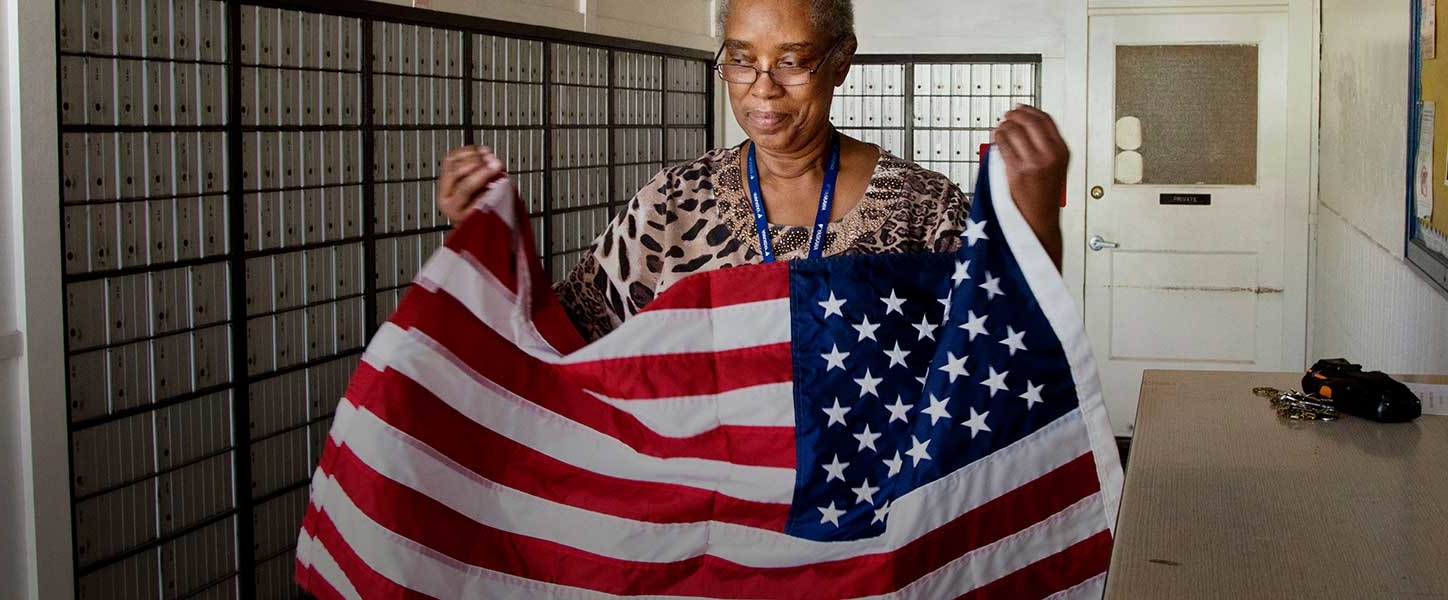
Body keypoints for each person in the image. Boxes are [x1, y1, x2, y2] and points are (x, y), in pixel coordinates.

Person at [435, 0, 1069, 342]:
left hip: (873, 536)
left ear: (840, 60)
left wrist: (1036, 210)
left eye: (792, 61)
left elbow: (1008, 347)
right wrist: (493, 242)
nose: (762, 92)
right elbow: (567, 338)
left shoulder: (924, 209)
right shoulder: (670, 207)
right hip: (710, 536)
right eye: (741, 61)